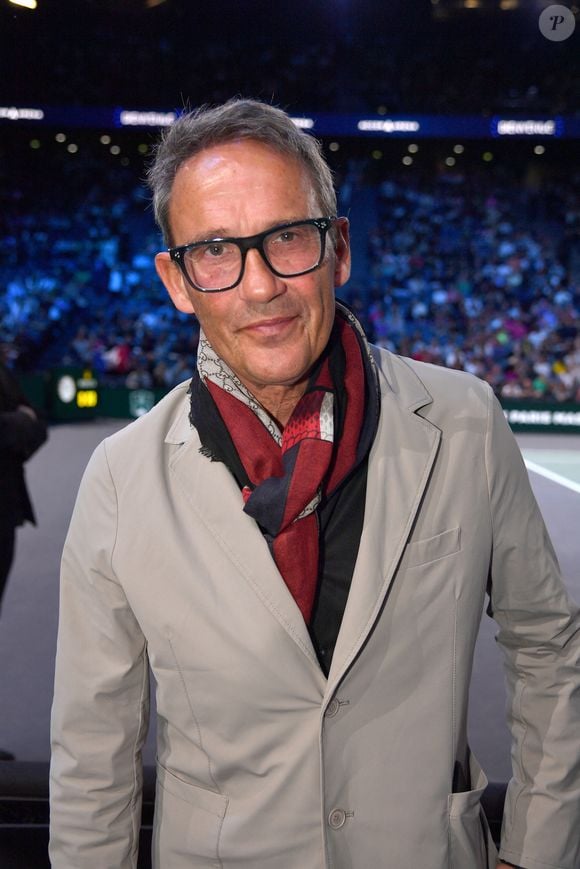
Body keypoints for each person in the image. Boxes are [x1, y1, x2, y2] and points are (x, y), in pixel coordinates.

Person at [49, 99, 580, 869]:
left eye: (288, 238)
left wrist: (538, 852)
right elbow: (92, 747)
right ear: (176, 280)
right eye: (217, 251)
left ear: (338, 251)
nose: (260, 285)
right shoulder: (122, 477)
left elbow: (550, 651)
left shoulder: (464, 423)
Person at [0, 351, 47, 761]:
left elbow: (37, 424)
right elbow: (25, 421)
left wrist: (23, 423)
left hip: (4, 509)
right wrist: (18, 423)